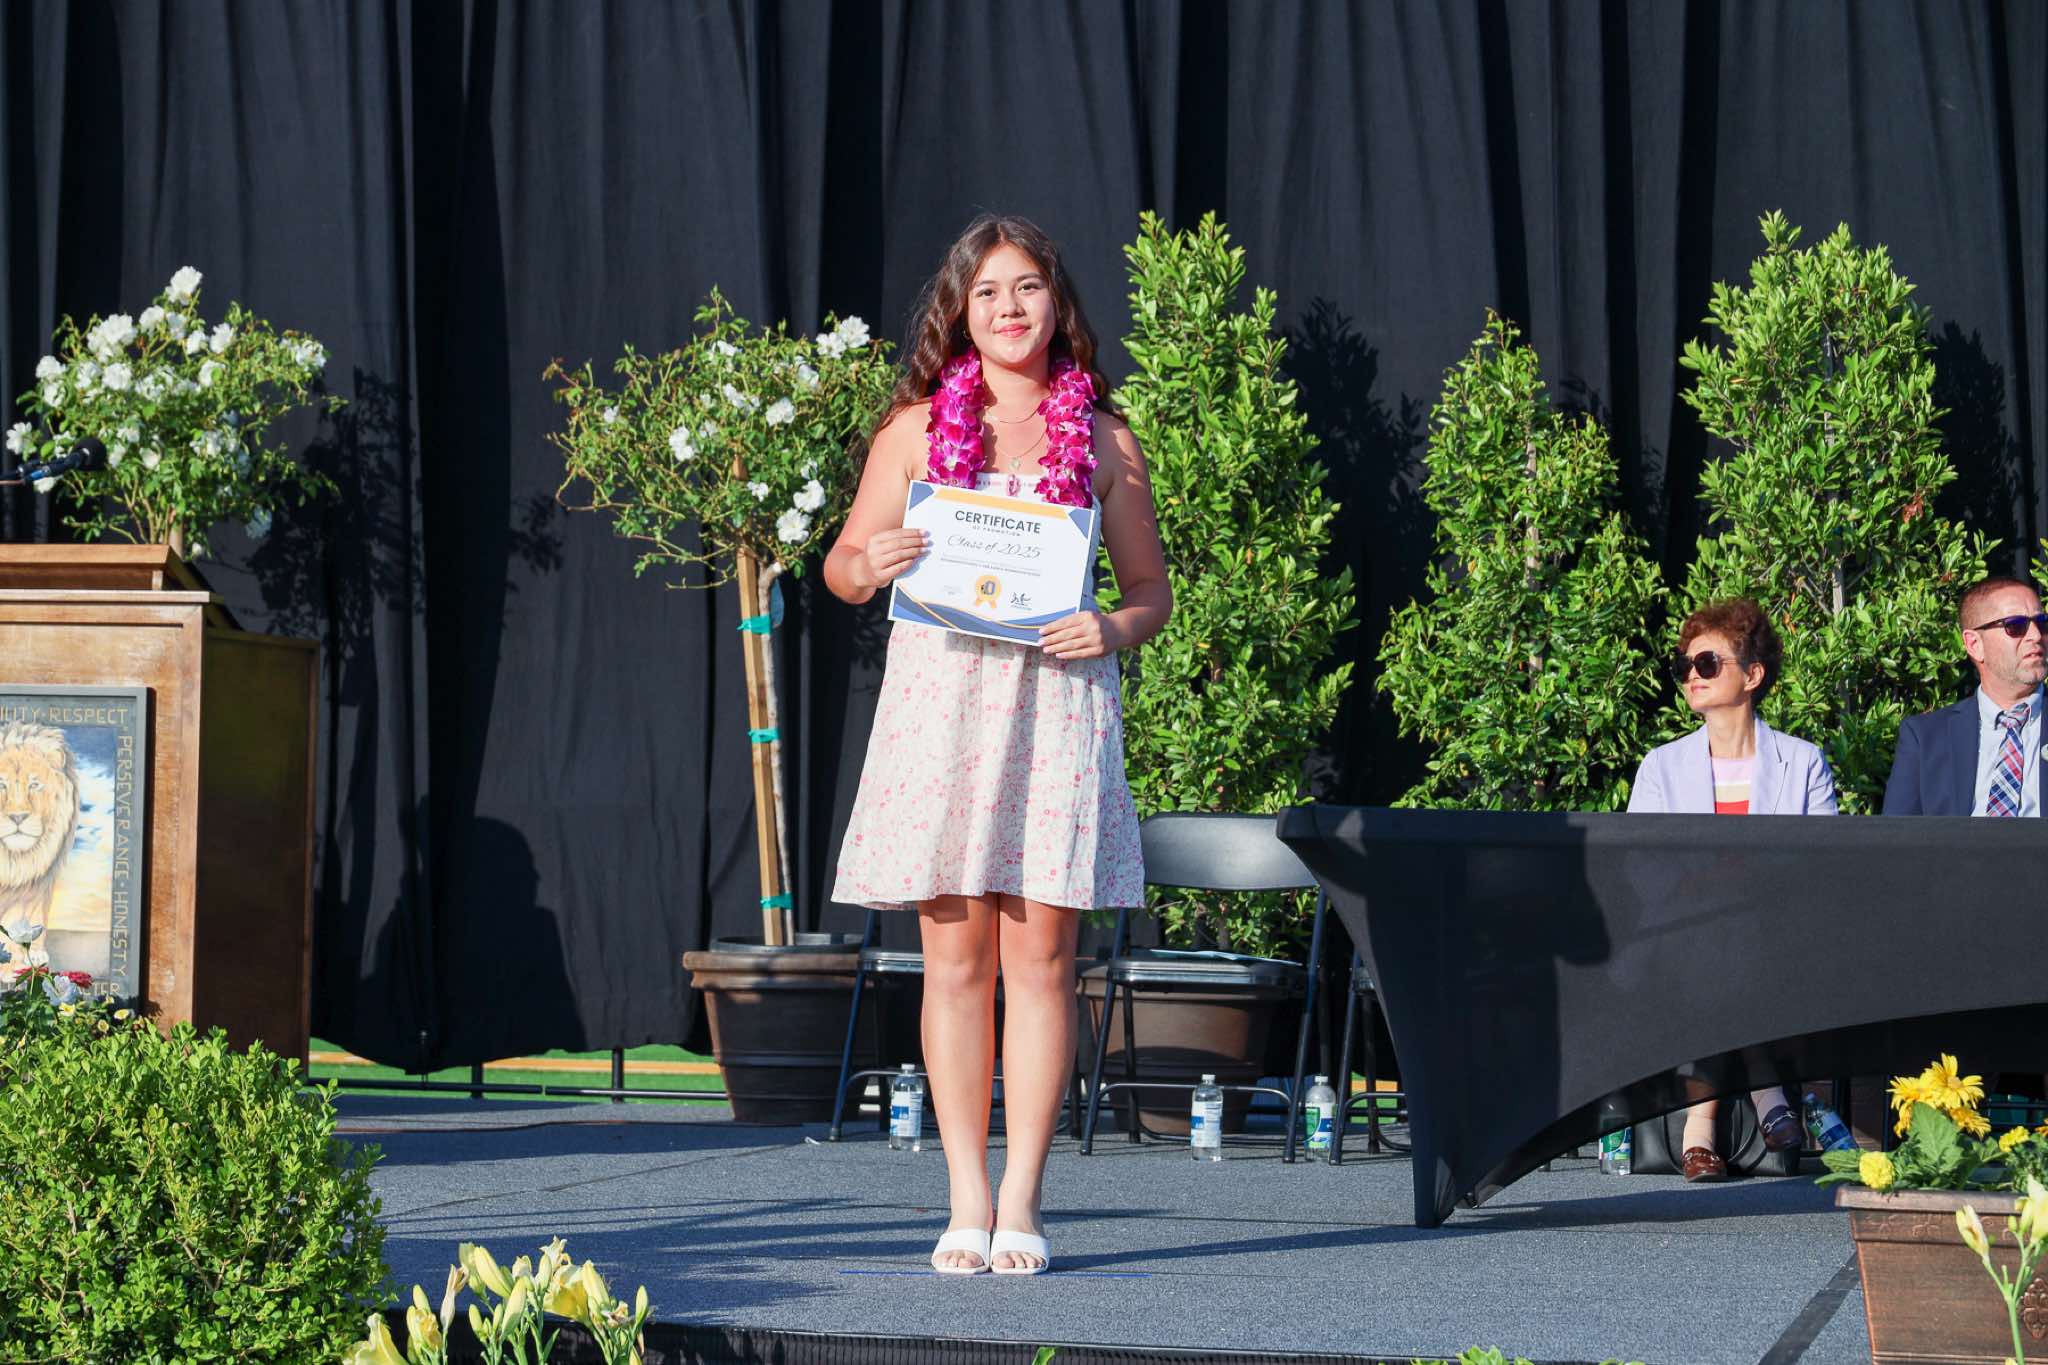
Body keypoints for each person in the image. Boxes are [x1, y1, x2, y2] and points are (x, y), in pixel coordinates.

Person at [824, 215, 1172, 1274]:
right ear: (960, 312)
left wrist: (1112, 627)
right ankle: (964, 1196)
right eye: (987, 292)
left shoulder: (1103, 438)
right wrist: (871, 560)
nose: (1008, 308)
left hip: (1055, 706)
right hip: (942, 708)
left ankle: (1022, 1196)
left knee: (1042, 960)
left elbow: (1151, 593)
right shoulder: (915, 429)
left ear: (1055, 303)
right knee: (955, 961)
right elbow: (842, 567)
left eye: (1025, 288)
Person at [1626, 598, 1837, 1180]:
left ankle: (1700, 1129)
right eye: (1685, 666)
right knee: (1714, 939)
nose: (1692, 675)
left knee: (1734, 939)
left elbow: (1821, 865)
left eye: (1707, 663)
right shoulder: (1661, 767)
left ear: (1752, 674)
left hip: (1777, 934)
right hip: (1682, 934)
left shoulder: (1803, 762)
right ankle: (1769, 1096)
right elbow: (1641, 869)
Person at [1883, 575, 2048, 816]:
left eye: (2042, 623)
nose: (2036, 636)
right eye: (2016, 625)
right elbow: (1896, 834)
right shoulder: (1926, 737)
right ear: (1974, 644)